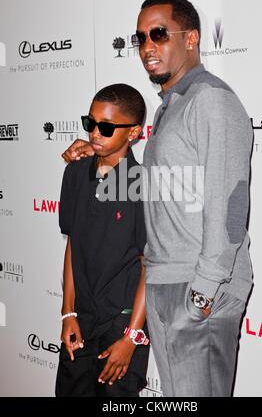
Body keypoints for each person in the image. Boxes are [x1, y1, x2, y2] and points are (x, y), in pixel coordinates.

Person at [62, 0, 253, 397]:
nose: (147, 46)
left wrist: (201, 293)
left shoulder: (211, 101)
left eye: (159, 34)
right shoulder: (173, 105)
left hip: (196, 288)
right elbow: (159, 187)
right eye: (141, 37)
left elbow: (230, 205)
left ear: (191, 38)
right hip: (167, 284)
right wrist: (93, 149)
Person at [56, 83, 149, 397]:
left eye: (106, 127)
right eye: (90, 123)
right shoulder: (75, 173)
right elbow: (73, 245)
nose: (95, 133)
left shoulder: (143, 184)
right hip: (80, 321)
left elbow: (151, 266)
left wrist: (131, 338)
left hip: (120, 326)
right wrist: (68, 313)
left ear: (133, 133)